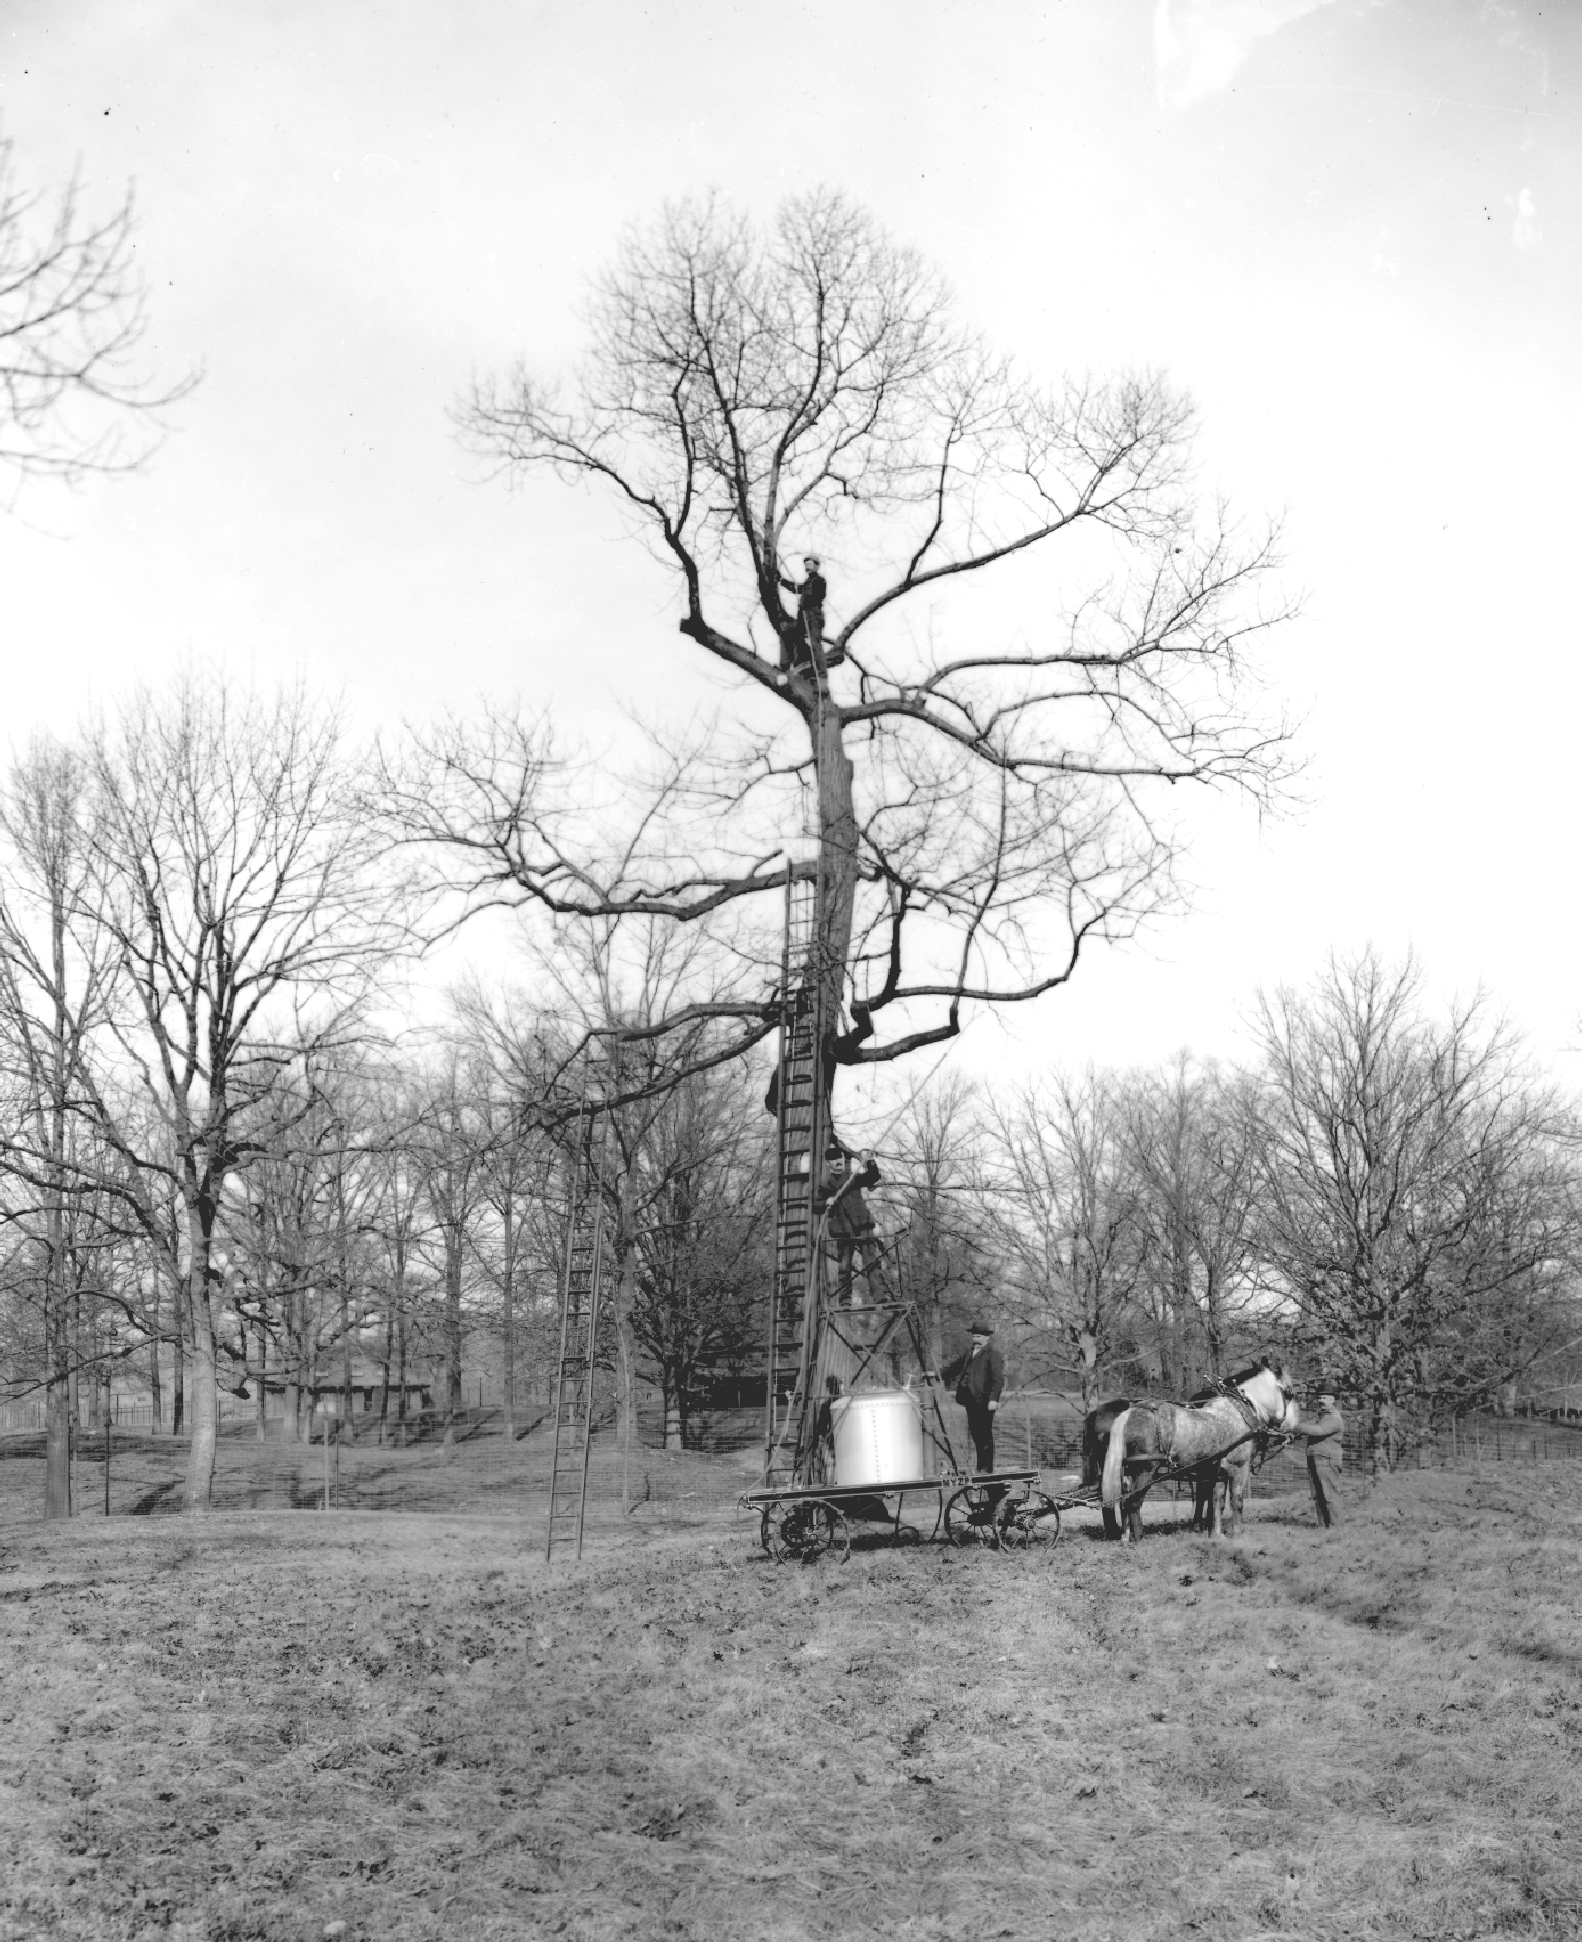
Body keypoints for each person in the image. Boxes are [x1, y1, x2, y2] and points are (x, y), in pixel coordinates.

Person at [817, 1140, 882, 1306]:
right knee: (844, 1267)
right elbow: (815, 1204)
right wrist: (827, 1202)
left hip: (862, 1225)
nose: (837, 1161)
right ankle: (845, 1300)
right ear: (828, 1163)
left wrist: (870, 1161)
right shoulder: (826, 1185)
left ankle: (880, 1296)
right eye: (833, 1159)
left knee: (872, 1262)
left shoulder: (853, 1178)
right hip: (843, 1230)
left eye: (839, 1158)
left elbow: (873, 1176)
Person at [941, 1321, 1004, 1474]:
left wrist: (993, 1399)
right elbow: (954, 1368)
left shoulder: (993, 1355)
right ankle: (980, 1466)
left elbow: (998, 1379)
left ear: (987, 1338)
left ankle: (985, 1468)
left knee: (984, 1435)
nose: (976, 1339)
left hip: (984, 1401)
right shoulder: (969, 1354)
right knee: (976, 1434)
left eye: (979, 1336)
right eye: (974, 1336)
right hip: (970, 1401)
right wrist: (936, 1373)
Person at [778, 555, 841, 670]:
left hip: (813, 617)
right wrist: (782, 580)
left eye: (810, 564)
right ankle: (785, 665)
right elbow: (795, 588)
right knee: (787, 630)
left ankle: (820, 671)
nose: (807, 567)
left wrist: (806, 602)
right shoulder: (808, 582)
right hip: (803, 618)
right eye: (806, 565)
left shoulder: (819, 580)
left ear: (816, 566)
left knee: (815, 643)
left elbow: (819, 595)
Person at [1303, 1384, 1345, 1529]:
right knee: (1318, 1495)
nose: (1321, 1400)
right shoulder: (1320, 1416)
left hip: (1327, 1460)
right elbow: (1307, 1425)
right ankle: (1323, 1526)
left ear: (1333, 1400)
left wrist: (1294, 1426)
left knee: (1330, 1495)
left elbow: (1318, 1430)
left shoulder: (1334, 1418)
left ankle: (1336, 1529)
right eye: (1320, 1397)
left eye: (1325, 1397)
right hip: (1315, 1458)